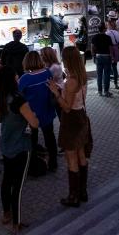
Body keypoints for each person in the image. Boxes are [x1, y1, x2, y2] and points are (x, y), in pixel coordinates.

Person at [0, 65, 39, 232]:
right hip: (21, 146)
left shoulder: (0, 97)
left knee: (6, 181)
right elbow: (34, 123)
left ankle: (6, 214)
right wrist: (33, 115)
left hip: (6, 144)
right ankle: (16, 222)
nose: (19, 77)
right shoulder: (19, 100)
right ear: (12, 80)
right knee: (18, 186)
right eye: (16, 76)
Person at [47, 47, 89, 208]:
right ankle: (82, 191)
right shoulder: (81, 75)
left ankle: (74, 196)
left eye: (63, 58)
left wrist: (56, 93)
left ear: (68, 60)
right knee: (81, 154)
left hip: (71, 120)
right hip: (81, 116)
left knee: (71, 157)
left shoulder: (71, 81)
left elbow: (66, 107)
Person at [18, 52, 58, 173]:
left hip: (32, 115)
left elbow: (18, 94)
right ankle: (53, 163)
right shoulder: (47, 73)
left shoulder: (25, 78)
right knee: (50, 137)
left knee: (32, 140)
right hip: (47, 111)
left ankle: (33, 164)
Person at [91, 22, 113, 97]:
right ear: (104, 29)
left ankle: (99, 91)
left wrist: (93, 55)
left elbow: (92, 47)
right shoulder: (108, 37)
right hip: (107, 56)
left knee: (99, 74)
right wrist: (112, 57)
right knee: (107, 75)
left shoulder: (95, 37)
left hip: (98, 56)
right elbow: (110, 48)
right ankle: (106, 91)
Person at [106, 19, 119, 90]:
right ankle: (116, 84)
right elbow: (118, 42)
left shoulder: (107, 33)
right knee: (114, 67)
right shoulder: (117, 32)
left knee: (108, 68)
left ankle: (107, 85)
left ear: (109, 25)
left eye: (107, 25)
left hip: (109, 50)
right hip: (116, 49)